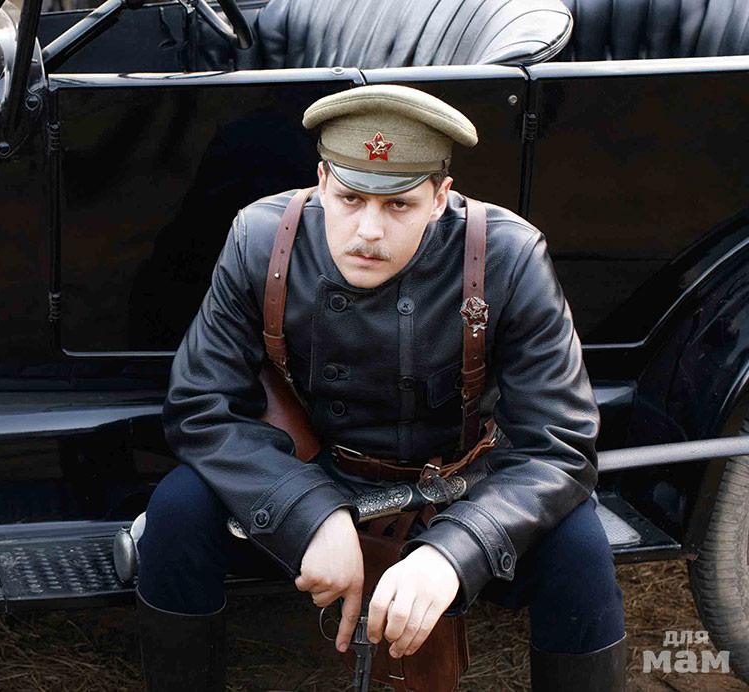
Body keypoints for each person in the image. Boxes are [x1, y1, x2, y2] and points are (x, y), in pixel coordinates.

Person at [137, 84, 627, 691]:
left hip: (458, 487)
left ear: (440, 197)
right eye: (350, 198)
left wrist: (455, 550)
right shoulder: (261, 238)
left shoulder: (508, 255)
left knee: (579, 544)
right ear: (321, 182)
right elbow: (200, 406)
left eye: (398, 205)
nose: (368, 231)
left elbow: (559, 445)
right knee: (178, 508)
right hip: (316, 473)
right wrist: (309, 514)